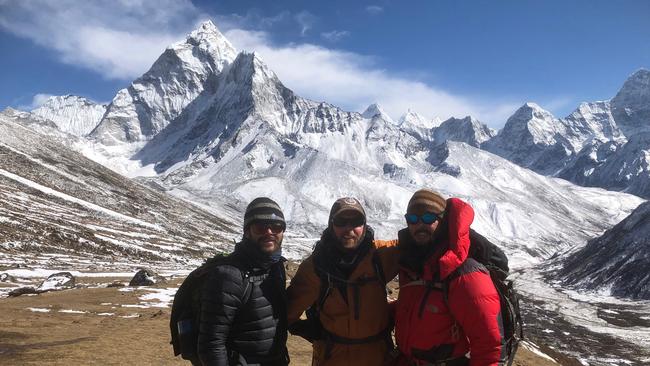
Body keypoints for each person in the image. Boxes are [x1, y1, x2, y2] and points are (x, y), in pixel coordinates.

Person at [393, 189, 503, 366]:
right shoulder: (413, 264)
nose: (419, 224)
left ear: (442, 220)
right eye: (412, 219)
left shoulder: (464, 273)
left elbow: (489, 344)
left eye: (428, 218)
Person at [287, 197, 399, 366]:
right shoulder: (316, 266)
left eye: (356, 222)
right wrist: (304, 328)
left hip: (377, 357)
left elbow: (416, 239)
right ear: (331, 224)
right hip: (333, 358)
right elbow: (286, 312)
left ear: (364, 225)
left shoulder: (380, 255)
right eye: (341, 222)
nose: (349, 229)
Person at [197, 197, 289, 366]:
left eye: (276, 227)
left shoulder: (276, 267)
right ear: (247, 231)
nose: (269, 232)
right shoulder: (228, 275)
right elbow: (211, 344)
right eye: (261, 227)